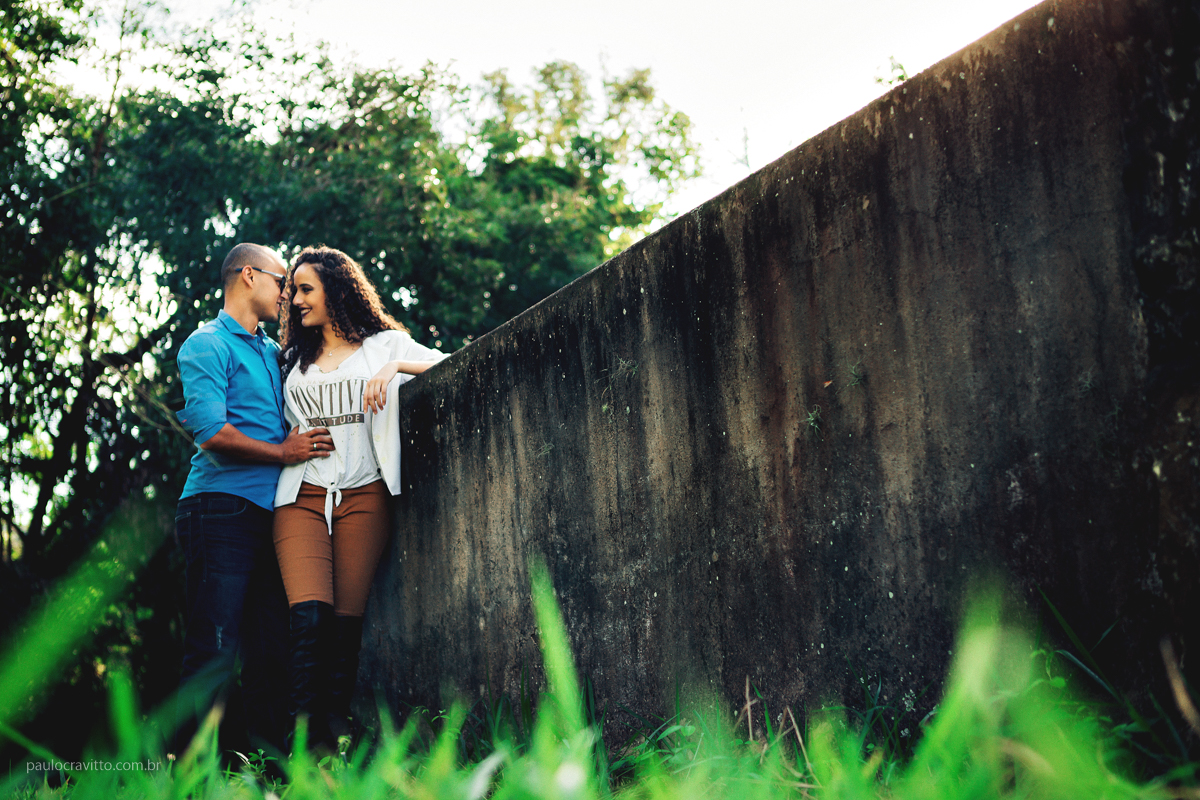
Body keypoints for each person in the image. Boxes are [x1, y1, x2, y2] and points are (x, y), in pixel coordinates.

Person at [272, 245, 447, 749]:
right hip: (301, 496)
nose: (296, 301)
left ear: (337, 288)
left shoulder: (385, 345)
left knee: (346, 628)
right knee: (309, 620)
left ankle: (334, 738)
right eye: (293, 292)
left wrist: (394, 371)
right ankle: (303, 746)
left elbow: (448, 362)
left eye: (306, 289)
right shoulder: (291, 360)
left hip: (364, 496)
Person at [173, 243, 335, 757]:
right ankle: (196, 779)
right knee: (214, 649)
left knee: (271, 650)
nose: (287, 293)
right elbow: (210, 430)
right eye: (280, 280)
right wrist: (283, 452)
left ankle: (268, 772)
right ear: (248, 276)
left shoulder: (270, 352)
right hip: (218, 510)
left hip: (273, 517)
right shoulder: (205, 344)